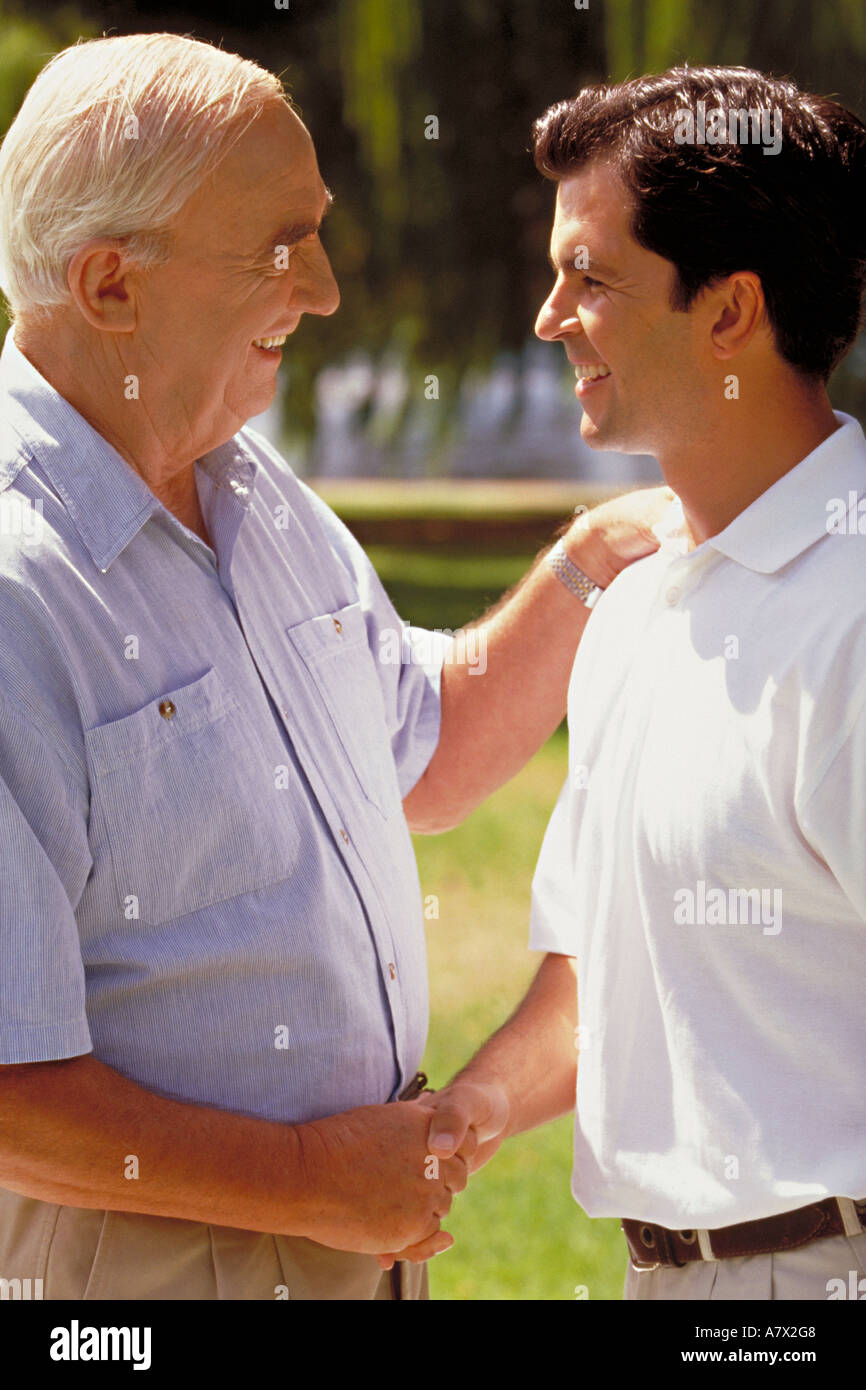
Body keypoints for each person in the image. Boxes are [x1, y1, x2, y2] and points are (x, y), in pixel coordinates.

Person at [0, 33, 670, 1301]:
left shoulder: (252, 485)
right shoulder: (14, 588)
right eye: (276, 246)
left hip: (345, 1240)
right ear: (107, 287)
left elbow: (422, 748)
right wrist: (307, 1178)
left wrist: (596, 552)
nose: (320, 289)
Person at [414, 65, 866, 1301]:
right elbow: (596, 971)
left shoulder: (853, 618)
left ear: (728, 314)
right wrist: (460, 1118)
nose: (547, 317)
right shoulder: (629, 604)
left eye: (589, 277)